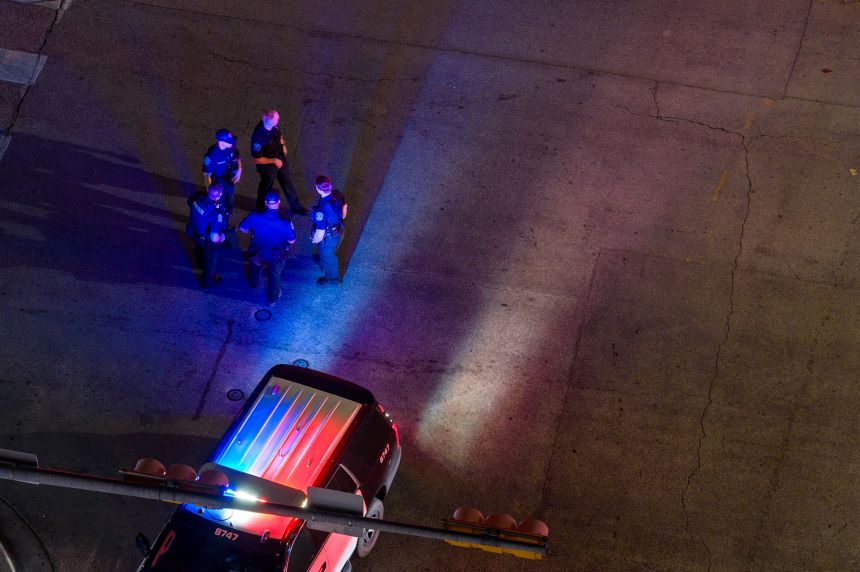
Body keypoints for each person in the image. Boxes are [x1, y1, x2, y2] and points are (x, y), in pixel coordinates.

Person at [238, 191, 297, 305]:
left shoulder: (254, 216)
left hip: (257, 251)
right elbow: (292, 240)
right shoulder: (285, 222)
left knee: (254, 268)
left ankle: (254, 284)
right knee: (274, 275)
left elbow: (243, 229)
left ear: (266, 203)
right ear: (279, 202)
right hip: (276, 254)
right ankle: (273, 298)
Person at [250, 110, 307, 215]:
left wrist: (283, 145)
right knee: (266, 186)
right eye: (277, 119)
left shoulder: (273, 125)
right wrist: (274, 161)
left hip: (279, 157)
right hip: (267, 164)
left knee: (287, 182)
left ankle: (296, 207)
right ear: (271, 121)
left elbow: (279, 135)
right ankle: (260, 209)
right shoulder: (258, 137)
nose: (278, 121)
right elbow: (257, 159)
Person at [187, 183, 228, 288]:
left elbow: (189, 202)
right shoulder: (216, 213)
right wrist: (223, 237)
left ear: (208, 190)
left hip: (194, 232)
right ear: (220, 195)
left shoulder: (198, 197)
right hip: (206, 240)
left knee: (199, 250)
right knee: (210, 262)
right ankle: (207, 283)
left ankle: (200, 264)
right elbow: (214, 237)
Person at [310, 175, 346, 287]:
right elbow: (345, 207)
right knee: (325, 253)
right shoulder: (336, 194)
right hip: (337, 229)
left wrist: (314, 240)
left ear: (318, 188)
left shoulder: (321, 211)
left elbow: (320, 233)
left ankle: (333, 279)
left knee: (329, 257)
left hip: (329, 236)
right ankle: (322, 259)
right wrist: (339, 218)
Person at [202, 129, 242, 217]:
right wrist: (212, 194)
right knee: (220, 205)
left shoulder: (231, 146)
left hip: (229, 179)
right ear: (222, 142)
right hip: (218, 182)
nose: (232, 142)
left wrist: (239, 169)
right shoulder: (211, 156)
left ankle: (228, 213)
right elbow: (207, 176)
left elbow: (237, 157)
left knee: (229, 199)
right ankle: (222, 219)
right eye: (230, 141)